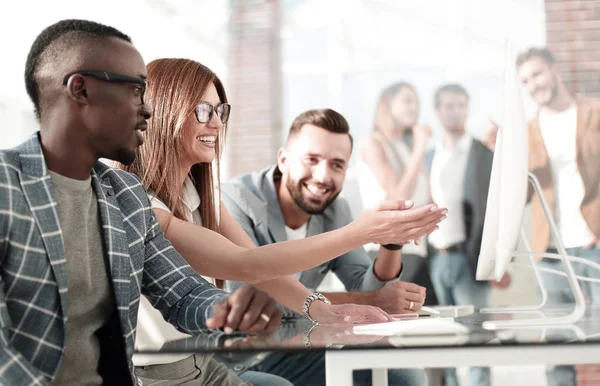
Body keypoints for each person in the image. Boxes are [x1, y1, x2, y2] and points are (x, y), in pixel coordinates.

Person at [119, 58, 446, 384]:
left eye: (221, 112)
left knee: (398, 375)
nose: (217, 124)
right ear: (164, 112)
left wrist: (322, 309)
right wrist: (362, 232)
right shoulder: (145, 208)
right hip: (161, 371)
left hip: (200, 361)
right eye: (203, 111)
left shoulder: (196, 193)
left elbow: (264, 273)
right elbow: (247, 266)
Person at [0, 19, 283, 385]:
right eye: (134, 90)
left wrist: (225, 311)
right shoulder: (7, 187)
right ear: (80, 90)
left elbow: (181, 292)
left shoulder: (126, 195)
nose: (147, 110)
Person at [222, 108, 446, 385]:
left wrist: (391, 240)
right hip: (235, 355)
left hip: (296, 347)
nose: (323, 176)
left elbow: (369, 289)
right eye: (311, 159)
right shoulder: (234, 200)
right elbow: (249, 296)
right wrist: (368, 300)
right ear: (283, 159)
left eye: (337, 165)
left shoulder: (335, 210)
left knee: (401, 374)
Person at [483, 46, 600, 386]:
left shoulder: (594, 112)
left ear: (555, 69)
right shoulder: (527, 131)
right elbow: (522, 196)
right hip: (551, 252)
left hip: (594, 244)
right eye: (526, 80)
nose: (533, 84)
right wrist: (501, 156)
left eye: (537, 74)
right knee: (557, 345)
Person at [426, 84, 503, 386]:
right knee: (446, 339)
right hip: (436, 259)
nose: (456, 111)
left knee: (476, 337)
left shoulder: (482, 153)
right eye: (449, 105)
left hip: (469, 257)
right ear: (437, 111)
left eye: (461, 105)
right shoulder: (431, 155)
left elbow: (502, 204)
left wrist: (499, 260)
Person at [358, 82, 438, 305]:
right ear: (387, 105)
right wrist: (420, 148)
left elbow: (426, 199)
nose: (414, 107)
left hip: (418, 251)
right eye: (407, 101)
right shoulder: (373, 143)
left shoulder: (404, 147)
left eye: (416, 102)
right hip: (386, 252)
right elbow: (398, 198)